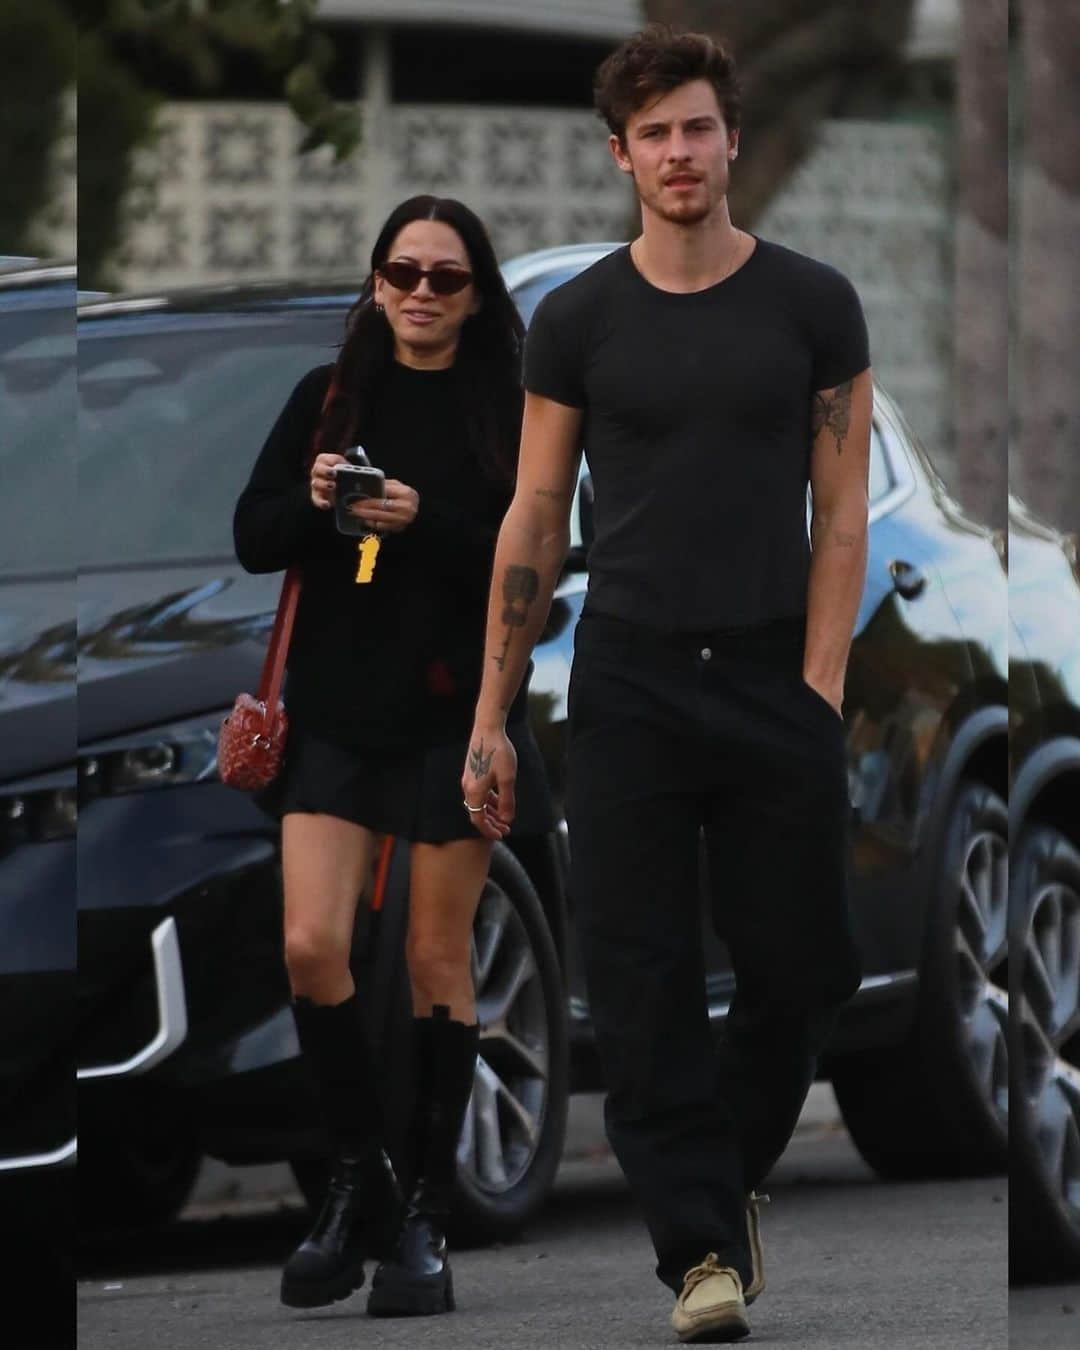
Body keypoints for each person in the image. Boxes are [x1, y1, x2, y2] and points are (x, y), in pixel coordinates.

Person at [462, 24, 870, 1344]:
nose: (680, 153)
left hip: (768, 678)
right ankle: (697, 1248)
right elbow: (532, 513)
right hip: (629, 679)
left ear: (732, 138)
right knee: (636, 985)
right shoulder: (578, 321)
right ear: (620, 155)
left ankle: (724, 1181)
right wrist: (492, 711)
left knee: (799, 970)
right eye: (655, 135)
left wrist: (815, 690)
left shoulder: (811, 304)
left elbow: (843, 512)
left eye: (699, 127)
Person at [233, 195, 554, 1318]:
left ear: (477, 294)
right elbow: (251, 532)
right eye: (402, 272)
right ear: (375, 281)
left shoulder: (506, 412)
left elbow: (535, 573)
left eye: (446, 278)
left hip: (452, 717)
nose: (421, 293)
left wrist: (429, 525)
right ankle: (359, 1181)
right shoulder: (326, 400)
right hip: (333, 715)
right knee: (314, 947)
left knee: (433, 960)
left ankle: (421, 1216)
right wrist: (324, 506)